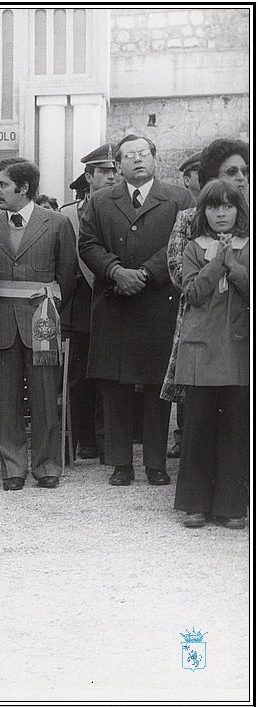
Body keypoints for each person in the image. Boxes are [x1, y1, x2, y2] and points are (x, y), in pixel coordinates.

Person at [79, 134, 195, 487]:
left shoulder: (178, 198)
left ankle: (156, 463)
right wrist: (116, 270)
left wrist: (146, 273)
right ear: (119, 164)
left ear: (154, 158)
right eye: (129, 155)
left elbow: (184, 243)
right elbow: (88, 244)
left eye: (143, 153)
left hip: (159, 302)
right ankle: (120, 462)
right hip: (115, 302)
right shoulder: (99, 201)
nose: (137, 160)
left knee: (157, 385)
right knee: (115, 385)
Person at [0, 158, 77, 490]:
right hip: (3, 324)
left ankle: (48, 465)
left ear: (24, 189)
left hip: (43, 320)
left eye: (3, 185)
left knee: (46, 397)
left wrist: (50, 309)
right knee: (5, 398)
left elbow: (67, 274)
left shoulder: (58, 223)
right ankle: (13, 467)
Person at [161, 138, 250, 461]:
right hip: (200, 322)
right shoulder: (189, 219)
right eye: (232, 171)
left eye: (245, 170)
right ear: (213, 176)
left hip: (240, 325)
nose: (241, 177)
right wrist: (215, 265)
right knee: (199, 408)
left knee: (238, 415)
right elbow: (177, 272)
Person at [171, 179, 248, 530]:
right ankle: (195, 504)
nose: (221, 213)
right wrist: (216, 261)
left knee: (235, 428)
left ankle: (232, 505)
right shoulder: (193, 248)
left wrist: (231, 262)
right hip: (201, 351)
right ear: (203, 212)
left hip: (238, 349)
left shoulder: (249, 245)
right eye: (214, 207)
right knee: (199, 428)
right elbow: (193, 293)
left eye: (228, 206)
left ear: (239, 210)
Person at [59, 144, 117, 462]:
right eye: (104, 172)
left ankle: (107, 442)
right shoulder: (68, 215)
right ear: (89, 176)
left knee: (109, 374)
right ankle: (80, 440)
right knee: (77, 376)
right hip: (79, 303)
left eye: (113, 171)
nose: (111, 177)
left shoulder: (122, 210)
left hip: (112, 299)